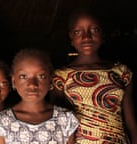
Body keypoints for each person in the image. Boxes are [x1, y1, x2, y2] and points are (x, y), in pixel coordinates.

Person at [50, 7, 137, 143]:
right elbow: (58, 124)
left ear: (103, 34)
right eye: (78, 32)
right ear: (71, 37)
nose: (86, 37)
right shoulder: (60, 77)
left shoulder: (122, 72)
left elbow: (131, 122)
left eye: (94, 30)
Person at [0, 48, 79, 144]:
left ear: (51, 81)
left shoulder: (66, 119)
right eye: (23, 76)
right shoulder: (2, 122)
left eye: (41, 76)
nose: (32, 84)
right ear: (13, 81)